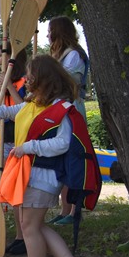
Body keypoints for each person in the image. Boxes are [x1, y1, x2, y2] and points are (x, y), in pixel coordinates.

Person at [0, 55, 86, 257]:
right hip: (30, 174)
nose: (26, 78)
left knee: (28, 227)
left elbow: (62, 143)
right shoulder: (33, 104)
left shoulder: (61, 108)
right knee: (35, 226)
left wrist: (29, 147)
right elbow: (9, 111)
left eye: (31, 75)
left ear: (43, 78)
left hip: (44, 175)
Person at [48, 16, 90, 224]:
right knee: (63, 162)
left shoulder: (73, 54)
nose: (47, 35)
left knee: (73, 159)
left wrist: (46, 72)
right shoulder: (61, 55)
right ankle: (65, 211)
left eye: (50, 31)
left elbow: (68, 81)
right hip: (60, 110)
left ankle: (74, 211)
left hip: (72, 110)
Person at [0, 49, 28, 255]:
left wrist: (9, 86)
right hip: (6, 139)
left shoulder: (26, 82)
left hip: (21, 141)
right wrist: (1, 91)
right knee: (10, 190)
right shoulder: (3, 82)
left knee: (20, 192)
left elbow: (25, 111)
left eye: (1, 55)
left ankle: (24, 236)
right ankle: (19, 235)